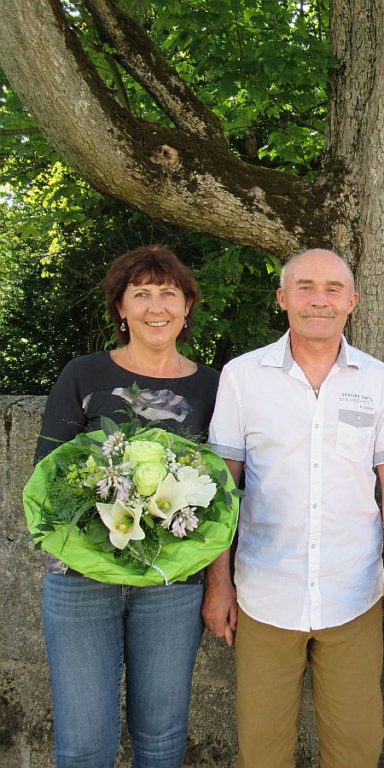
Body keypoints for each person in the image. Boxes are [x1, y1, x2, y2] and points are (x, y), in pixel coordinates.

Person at [201, 248, 384, 768]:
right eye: (305, 287)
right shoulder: (242, 377)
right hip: (264, 595)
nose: (318, 300)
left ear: (352, 301)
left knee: (356, 750)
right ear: (283, 298)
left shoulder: (378, 380)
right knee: (262, 751)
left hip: (354, 594)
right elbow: (220, 488)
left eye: (331, 289)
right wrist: (219, 582)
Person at [35, 245, 218, 767]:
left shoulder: (212, 386)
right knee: (84, 744)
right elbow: (47, 477)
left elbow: (222, 489)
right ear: (120, 308)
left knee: (161, 741)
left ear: (187, 306)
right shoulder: (83, 375)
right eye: (141, 294)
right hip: (80, 581)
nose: (155, 306)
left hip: (170, 583)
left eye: (168, 293)